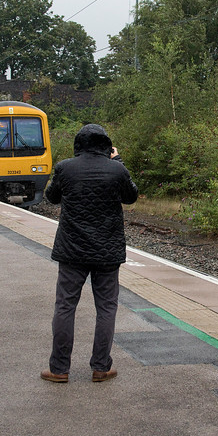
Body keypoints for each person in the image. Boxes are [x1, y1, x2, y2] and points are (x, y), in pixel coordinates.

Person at [41, 124, 139, 384]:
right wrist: (118, 161)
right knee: (106, 308)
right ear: (106, 144)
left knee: (65, 307)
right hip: (107, 251)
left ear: (79, 144)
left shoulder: (65, 167)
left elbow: (51, 198)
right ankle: (100, 367)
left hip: (72, 250)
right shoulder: (117, 169)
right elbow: (131, 197)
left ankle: (59, 369)